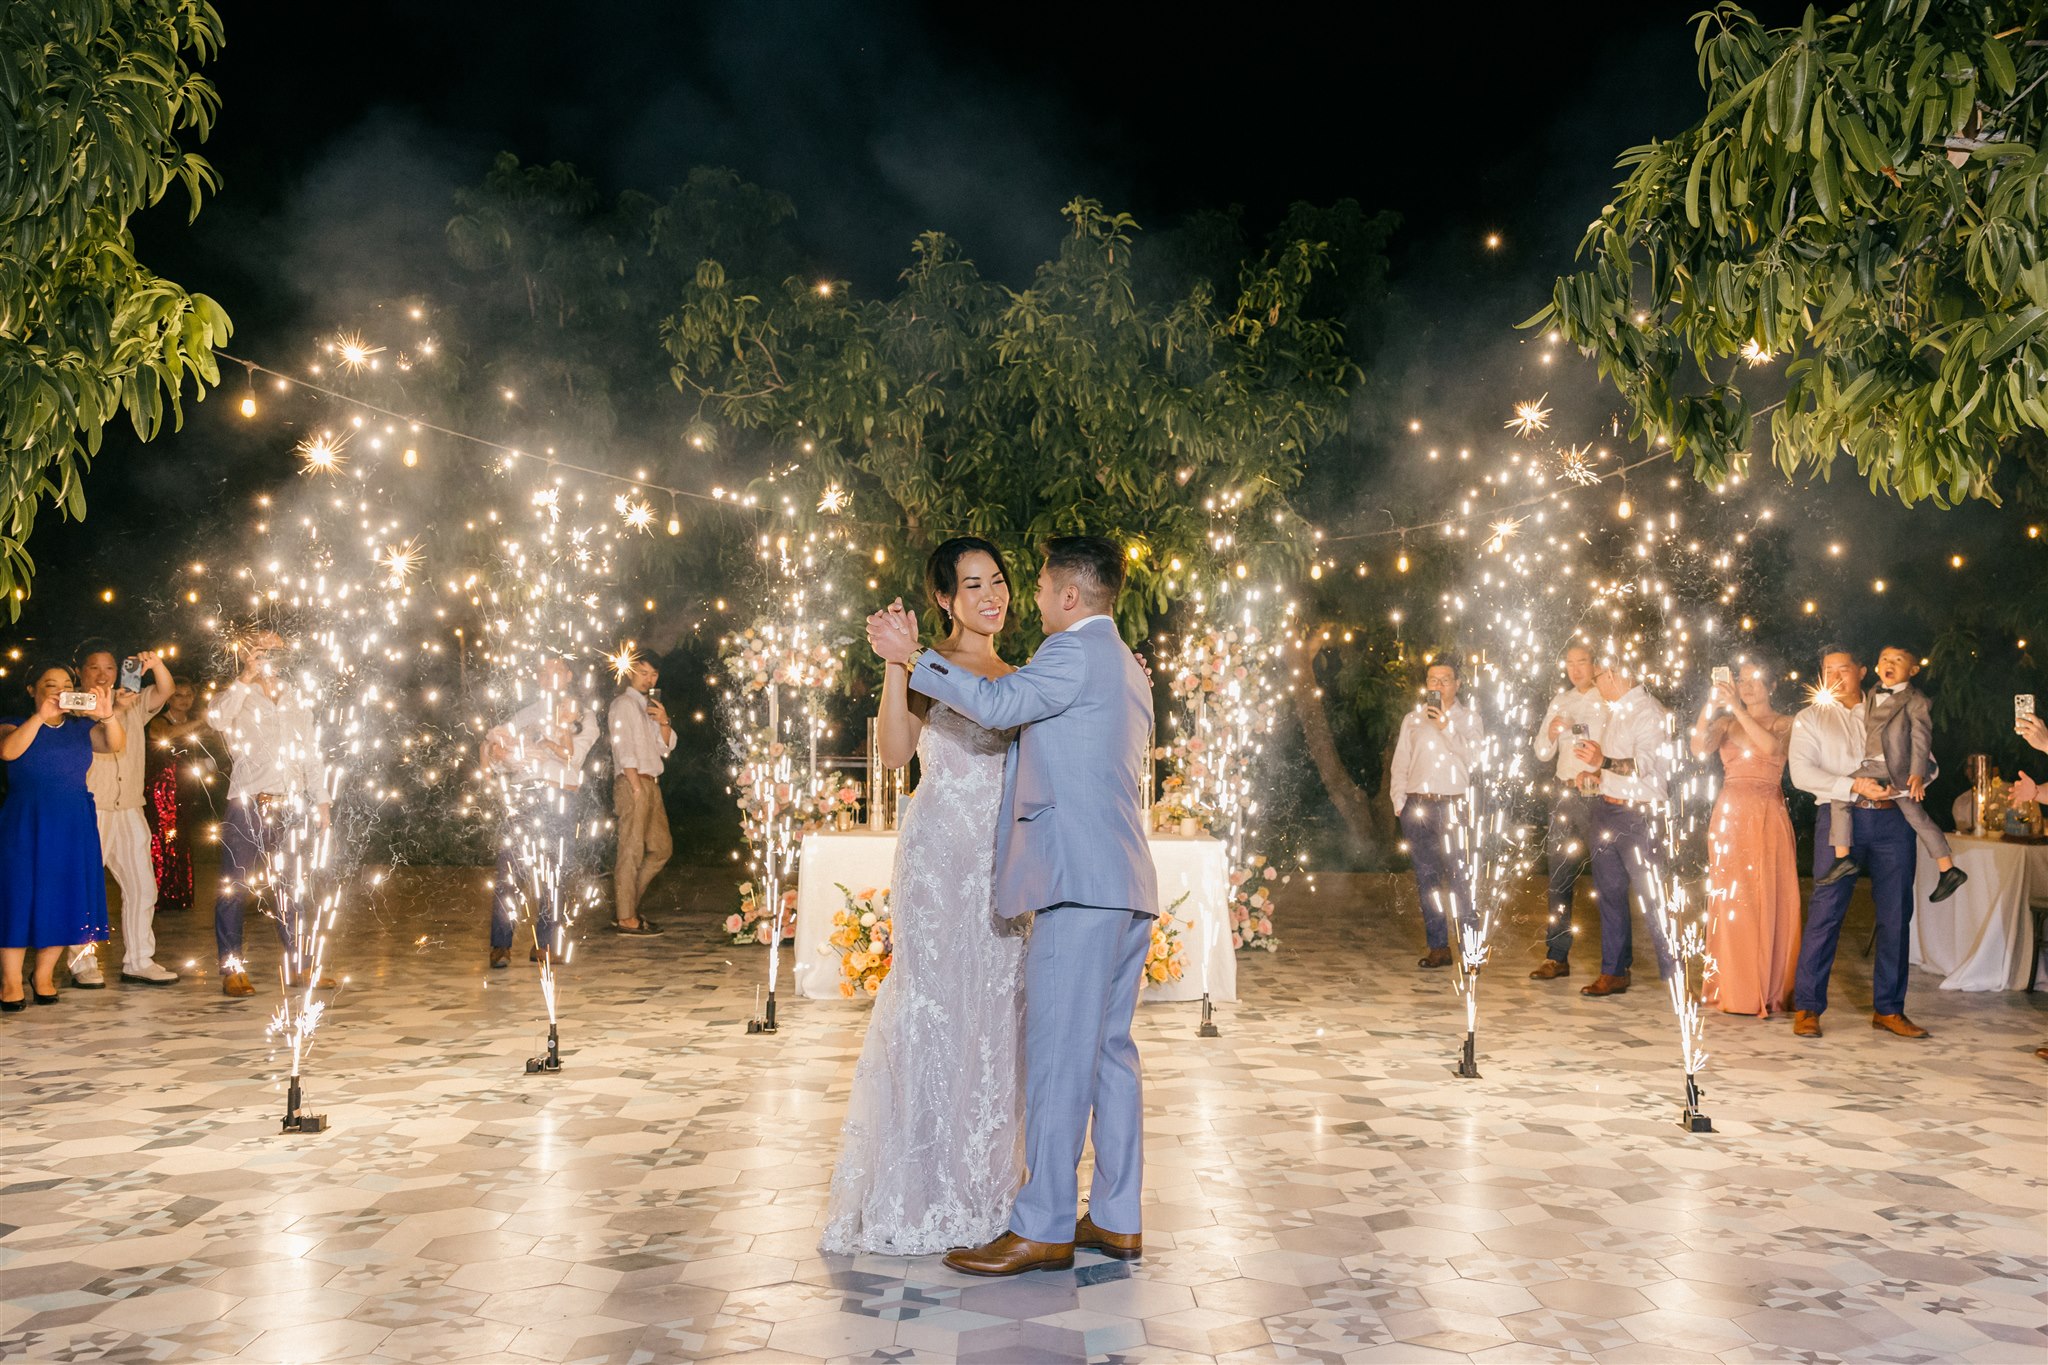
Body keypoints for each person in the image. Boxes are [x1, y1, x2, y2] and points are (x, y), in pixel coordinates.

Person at [868, 535, 1156, 1277]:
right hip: (1123, 883)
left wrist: (910, 656)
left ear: (1068, 595)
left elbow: (999, 706)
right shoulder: (1125, 664)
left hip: (1078, 885)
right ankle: (1118, 1218)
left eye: (1023, 582)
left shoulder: (1065, 654)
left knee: (1058, 1057)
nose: (1015, 594)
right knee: (1110, 1055)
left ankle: (1044, 1225)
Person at [821, 537, 1029, 1256]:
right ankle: (920, 1191)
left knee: (998, 1015)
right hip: (939, 859)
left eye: (997, 581)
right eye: (972, 585)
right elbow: (897, 753)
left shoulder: (1021, 674)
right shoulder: (929, 666)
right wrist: (895, 664)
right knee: (933, 1008)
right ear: (944, 598)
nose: (990, 596)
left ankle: (991, 1187)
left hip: (1002, 867)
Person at [1788, 644, 1926, 1039]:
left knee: (1896, 915)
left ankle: (1889, 1009)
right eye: (1827, 669)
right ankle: (1809, 1007)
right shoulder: (1808, 718)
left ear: (1862, 670)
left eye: (1843, 669)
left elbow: (1925, 758)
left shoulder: (1893, 705)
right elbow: (1801, 773)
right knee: (1826, 911)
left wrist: (1912, 782)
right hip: (1838, 818)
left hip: (1892, 820)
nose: (1835, 676)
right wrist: (1852, 785)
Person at [207, 629, 332, 999]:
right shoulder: (237, 694)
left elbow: (310, 750)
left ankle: (300, 964)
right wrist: (246, 676)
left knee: (292, 888)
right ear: (247, 653)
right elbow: (215, 719)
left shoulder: (296, 696)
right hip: (248, 801)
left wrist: (321, 800)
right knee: (235, 887)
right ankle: (232, 968)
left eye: (277, 650)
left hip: (291, 804)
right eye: (262, 649)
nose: (270, 656)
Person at [0, 664, 123, 1009]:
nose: (58, 690)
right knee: (18, 896)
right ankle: (9, 980)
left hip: (72, 822)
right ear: (31, 689)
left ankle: (43, 975)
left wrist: (107, 715)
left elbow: (115, 744)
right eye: (49, 684)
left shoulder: (81, 726)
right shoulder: (13, 721)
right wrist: (41, 717)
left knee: (62, 897)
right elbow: (8, 751)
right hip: (27, 820)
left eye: (66, 684)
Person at [1814, 645, 1966, 904]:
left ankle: (1842, 858)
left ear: (1913, 670)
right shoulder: (1873, 692)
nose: (1890, 664)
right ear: (1875, 667)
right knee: (1917, 816)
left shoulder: (1916, 700)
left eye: (1898, 660)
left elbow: (1921, 738)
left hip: (1887, 766)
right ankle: (1948, 869)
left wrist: (1917, 773)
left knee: (1840, 792)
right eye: (1885, 659)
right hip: (1880, 764)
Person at [1689, 661, 1800, 1017]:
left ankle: (1765, 988)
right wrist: (1711, 705)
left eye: (1755, 680)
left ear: (1771, 686)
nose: (1747, 685)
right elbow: (1698, 748)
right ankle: (1731, 988)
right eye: (1741, 679)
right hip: (1729, 814)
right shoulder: (1724, 723)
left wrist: (1737, 707)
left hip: (1766, 813)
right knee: (1731, 900)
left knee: (1765, 895)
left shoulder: (1786, 722)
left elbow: (1770, 748)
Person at [73, 642, 180, 986]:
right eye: (94, 668)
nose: (103, 675)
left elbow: (166, 690)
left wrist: (157, 664)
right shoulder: (75, 705)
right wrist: (113, 710)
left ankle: (139, 959)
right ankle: (82, 963)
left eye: (109, 668)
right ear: (80, 672)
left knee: (142, 887)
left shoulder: (132, 702)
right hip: (92, 807)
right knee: (86, 887)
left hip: (131, 807)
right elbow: (100, 734)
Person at [483, 657, 599, 968]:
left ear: (569, 675)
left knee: (554, 871)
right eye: (543, 672)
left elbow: (573, 759)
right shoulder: (527, 714)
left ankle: (546, 944)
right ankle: (501, 944)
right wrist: (499, 752)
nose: (549, 677)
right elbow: (495, 752)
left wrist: (544, 741)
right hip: (526, 795)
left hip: (560, 795)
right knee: (510, 870)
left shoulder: (583, 716)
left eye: (556, 670)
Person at [1576, 660, 1675, 998]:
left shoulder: (1648, 712)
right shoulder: (1617, 711)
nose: (1596, 684)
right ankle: (1614, 970)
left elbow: (1643, 766)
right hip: (1607, 810)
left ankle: (1675, 972)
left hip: (1640, 817)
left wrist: (1602, 762)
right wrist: (1595, 775)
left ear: (1615, 675)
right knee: (1610, 894)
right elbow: (1614, 765)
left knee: (1653, 896)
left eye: (1598, 677)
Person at [1388, 659, 1483, 969]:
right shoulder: (1413, 719)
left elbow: (1477, 759)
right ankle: (1438, 947)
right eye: (1433, 679)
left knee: (1460, 879)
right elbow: (1401, 761)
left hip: (1453, 805)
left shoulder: (1469, 720)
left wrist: (1448, 728)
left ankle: (1471, 952)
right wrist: (1399, 802)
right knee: (1427, 880)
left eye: (1445, 679)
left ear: (1457, 684)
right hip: (1417, 806)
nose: (1438, 685)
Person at [1529, 643, 1602, 979]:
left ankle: (1614, 963)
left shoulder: (1608, 699)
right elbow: (1542, 752)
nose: (1575, 669)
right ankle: (1556, 955)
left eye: (1582, 662)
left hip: (1598, 793)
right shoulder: (1561, 700)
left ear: (1595, 663)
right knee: (1558, 876)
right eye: (1570, 663)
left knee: (1606, 876)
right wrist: (1551, 731)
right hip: (1563, 792)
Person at [607, 656, 673, 935]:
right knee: (631, 851)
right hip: (632, 780)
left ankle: (627, 908)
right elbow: (624, 749)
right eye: (643, 672)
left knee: (661, 848)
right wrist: (634, 785)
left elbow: (664, 748)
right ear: (631, 672)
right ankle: (626, 918)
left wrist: (664, 721)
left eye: (654, 674)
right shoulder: (623, 704)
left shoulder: (647, 707)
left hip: (652, 782)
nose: (649, 679)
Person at [145, 677, 214, 913]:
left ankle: (179, 894)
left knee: (181, 840)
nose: (184, 700)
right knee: (161, 840)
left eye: (188, 695)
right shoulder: (158, 721)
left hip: (186, 789)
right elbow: (164, 735)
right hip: (162, 790)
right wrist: (198, 723)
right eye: (178, 695)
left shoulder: (200, 725)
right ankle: (157, 896)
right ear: (169, 698)